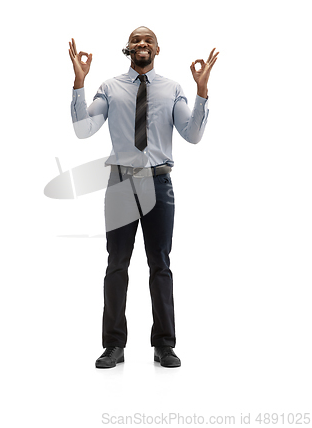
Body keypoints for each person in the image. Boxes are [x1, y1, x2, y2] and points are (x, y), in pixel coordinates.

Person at [69, 26, 219, 368]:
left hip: (158, 184)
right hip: (121, 184)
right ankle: (114, 346)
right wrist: (79, 84)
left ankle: (164, 345)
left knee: (160, 266)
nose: (141, 44)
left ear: (157, 49)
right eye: (136, 39)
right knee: (116, 264)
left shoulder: (172, 89)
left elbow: (192, 135)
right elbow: (83, 130)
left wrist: (202, 91)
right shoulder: (109, 87)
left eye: (148, 40)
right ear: (128, 48)